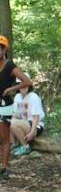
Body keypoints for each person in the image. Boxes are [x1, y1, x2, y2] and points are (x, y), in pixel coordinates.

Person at [0, 35, 32, 179]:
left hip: (4, 105)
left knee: (4, 138)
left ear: (4, 50)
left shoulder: (10, 66)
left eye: (0, 48)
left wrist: (11, 89)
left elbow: (27, 82)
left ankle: (4, 168)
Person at [10, 78, 45, 156]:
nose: (23, 86)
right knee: (7, 120)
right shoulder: (17, 96)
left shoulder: (33, 97)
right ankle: (13, 145)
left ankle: (25, 147)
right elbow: (15, 114)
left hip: (36, 126)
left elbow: (36, 117)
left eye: (25, 84)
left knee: (12, 123)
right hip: (24, 123)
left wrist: (32, 133)